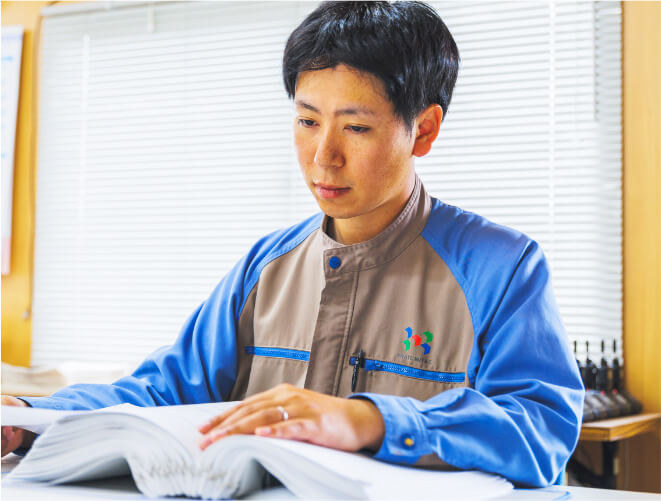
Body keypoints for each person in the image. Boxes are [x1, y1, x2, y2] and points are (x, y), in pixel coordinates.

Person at [1, 1, 584, 488]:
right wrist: (34, 417)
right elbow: (162, 390)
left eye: (356, 127)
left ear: (423, 129)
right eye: (307, 121)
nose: (324, 156)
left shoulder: (503, 268)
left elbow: (540, 430)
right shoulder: (266, 265)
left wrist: (368, 421)